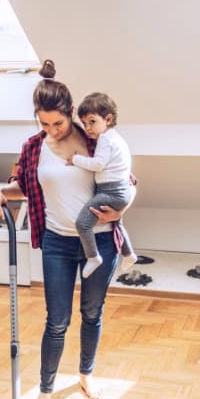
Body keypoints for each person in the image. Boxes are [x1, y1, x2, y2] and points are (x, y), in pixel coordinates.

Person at [0, 59, 134, 399]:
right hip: (56, 243)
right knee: (56, 321)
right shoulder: (33, 148)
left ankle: (86, 375)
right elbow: (24, 186)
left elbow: (127, 182)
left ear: (72, 114)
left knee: (91, 313)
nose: (52, 130)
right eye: (44, 123)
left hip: (98, 242)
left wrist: (121, 211)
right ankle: (46, 391)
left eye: (58, 123)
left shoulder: (93, 138)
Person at [69, 92, 138, 278]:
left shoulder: (105, 139)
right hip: (121, 190)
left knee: (82, 224)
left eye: (92, 122)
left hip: (110, 191)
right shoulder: (118, 139)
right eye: (84, 123)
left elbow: (97, 164)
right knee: (117, 223)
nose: (87, 128)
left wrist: (75, 159)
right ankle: (128, 254)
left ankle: (93, 257)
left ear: (108, 119)